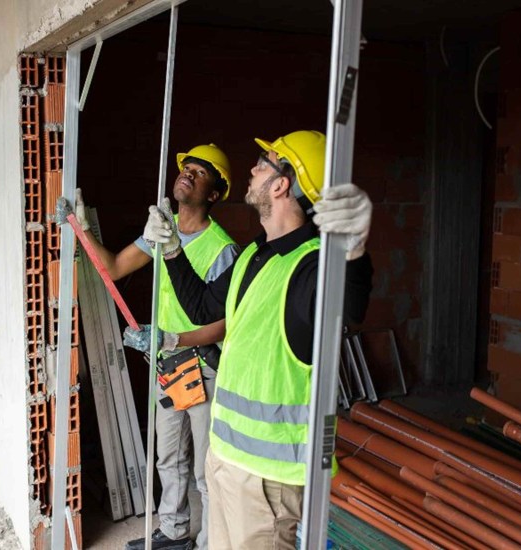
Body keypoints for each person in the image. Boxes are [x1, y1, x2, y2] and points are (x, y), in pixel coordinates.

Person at [134, 130, 374, 549]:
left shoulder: (312, 264)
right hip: (226, 456)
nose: (252, 168)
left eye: (264, 162)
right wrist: (172, 249)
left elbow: (345, 304)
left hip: (268, 478)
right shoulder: (253, 253)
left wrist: (353, 253)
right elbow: (205, 308)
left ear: (281, 184)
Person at [75, 144, 240, 550]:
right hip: (167, 366)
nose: (189, 173)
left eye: (201, 173)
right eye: (187, 167)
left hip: (201, 366)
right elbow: (112, 268)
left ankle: (210, 542)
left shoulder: (222, 249)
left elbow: (224, 326)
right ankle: (173, 531)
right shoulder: (161, 232)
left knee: (205, 468)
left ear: (214, 194)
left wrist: (171, 338)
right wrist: (83, 230)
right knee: (169, 458)